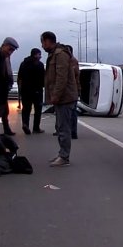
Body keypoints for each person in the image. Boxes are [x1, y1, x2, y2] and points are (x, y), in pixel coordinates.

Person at [41, 31, 78, 167]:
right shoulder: (54, 54)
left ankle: (64, 157)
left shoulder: (60, 54)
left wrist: (56, 96)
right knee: (60, 127)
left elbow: (61, 78)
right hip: (62, 98)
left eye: (43, 42)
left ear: (48, 41)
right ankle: (62, 154)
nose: (42, 45)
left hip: (65, 98)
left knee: (63, 128)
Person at [17, 48, 45, 135]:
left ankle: (25, 124)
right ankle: (36, 128)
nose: (40, 56)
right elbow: (43, 78)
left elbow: (19, 77)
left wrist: (20, 88)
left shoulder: (23, 63)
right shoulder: (39, 65)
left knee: (26, 109)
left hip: (25, 90)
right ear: (35, 55)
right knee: (38, 109)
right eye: (39, 54)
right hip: (37, 90)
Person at [65, 45, 81, 140]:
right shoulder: (70, 60)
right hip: (71, 89)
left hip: (72, 90)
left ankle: (73, 132)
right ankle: (69, 131)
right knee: (70, 112)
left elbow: (75, 75)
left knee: (72, 112)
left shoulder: (72, 61)